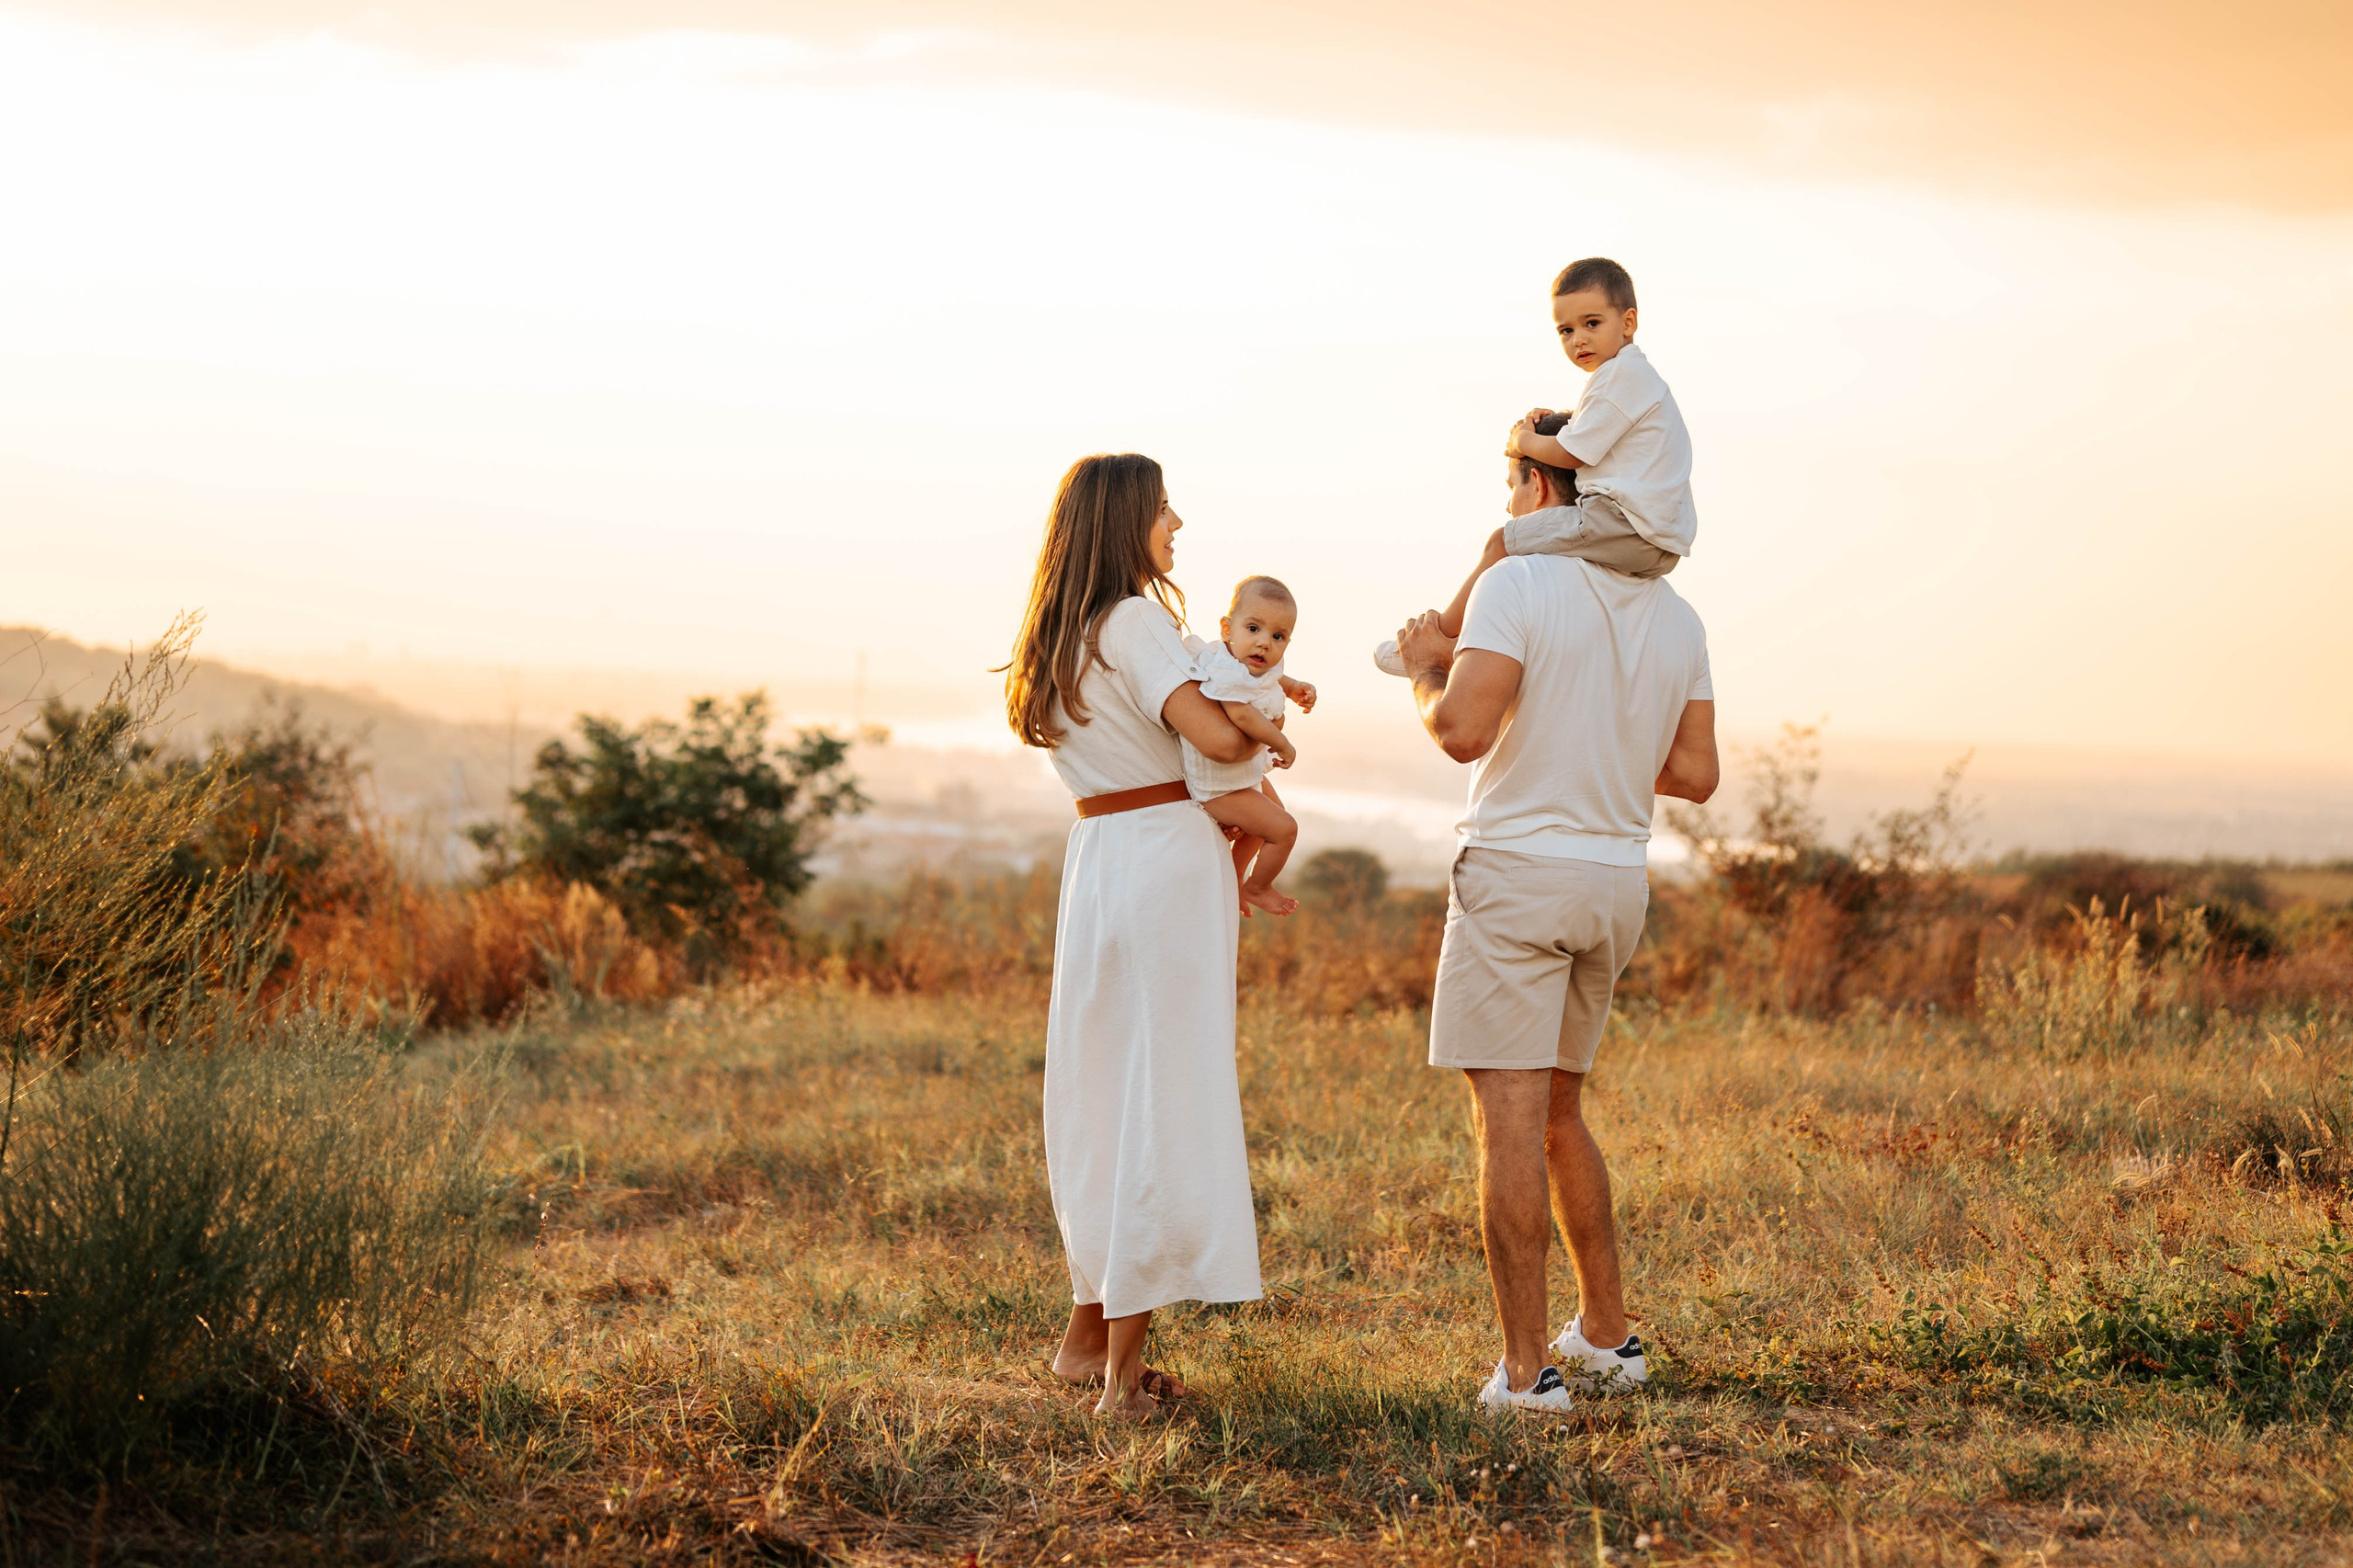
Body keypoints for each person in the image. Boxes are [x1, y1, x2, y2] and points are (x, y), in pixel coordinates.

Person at [1393, 426, 1720, 1414]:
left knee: (1507, 1124)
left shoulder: (1516, 583)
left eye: (1507, 483)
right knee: (1560, 1113)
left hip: (1520, 877)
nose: (1502, 507)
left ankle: (1528, 1370)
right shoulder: (1678, 616)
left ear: (1542, 485)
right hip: (1613, 883)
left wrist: (1420, 666)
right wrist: (1605, 744)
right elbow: (1697, 776)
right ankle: (1609, 1337)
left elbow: (1458, 729)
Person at [1002, 451, 1267, 1421]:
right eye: (1162, 511)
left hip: (1099, 858)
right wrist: (1260, 722)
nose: (1177, 525)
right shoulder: (1136, 620)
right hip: (1163, 856)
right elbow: (1218, 738)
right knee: (1161, 1094)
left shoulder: (1060, 631)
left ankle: (1084, 1336)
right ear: (1125, 523)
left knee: (1104, 1091)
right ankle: (1120, 1382)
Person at [1374, 256, 1695, 675]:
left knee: (1500, 543)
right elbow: (1599, 438)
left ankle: (1439, 638)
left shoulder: (1619, 378)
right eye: (1566, 330)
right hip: (1660, 541)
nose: (1578, 339)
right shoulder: (1635, 379)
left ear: (1629, 321)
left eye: (1592, 323)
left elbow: (1573, 454)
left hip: (1623, 525)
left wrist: (1523, 440)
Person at [1180, 575, 1316, 917]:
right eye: (1253, 628)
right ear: (1227, 628)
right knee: (1284, 830)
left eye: (1278, 636)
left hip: (1240, 773)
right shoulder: (1225, 671)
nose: (1264, 644)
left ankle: (1236, 877)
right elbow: (1241, 715)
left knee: (1271, 819)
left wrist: (1293, 686)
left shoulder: (1247, 661)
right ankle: (1258, 887)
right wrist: (1281, 741)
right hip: (1219, 784)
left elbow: (1271, 677)